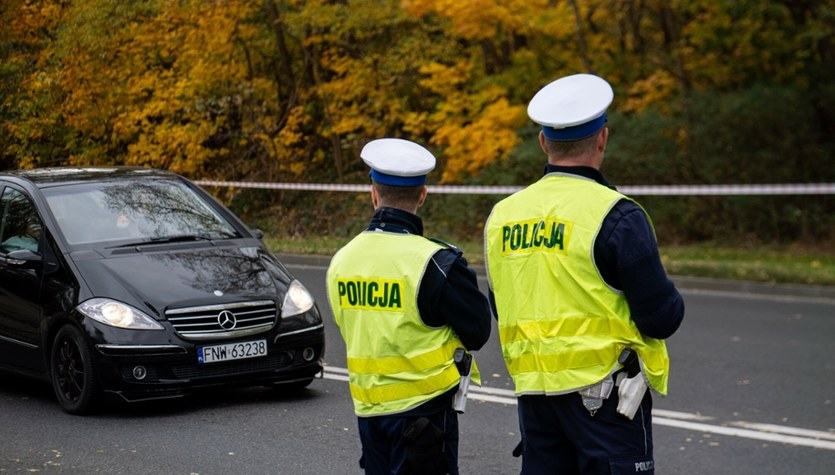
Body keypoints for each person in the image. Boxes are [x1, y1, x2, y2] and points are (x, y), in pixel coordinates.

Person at [484, 74, 685, 474]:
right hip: (607, 402)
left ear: (543, 143)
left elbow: (501, 303)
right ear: (603, 138)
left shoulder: (501, 217)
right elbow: (660, 317)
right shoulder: (617, 214)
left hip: (536, 398)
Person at [327, 138, 492, 475]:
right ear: (422, 195)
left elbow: (351, 326)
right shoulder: (437, 262)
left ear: (373, 193)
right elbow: (477, 331)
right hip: (425, 415)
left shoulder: (342, 260)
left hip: (369, 412)